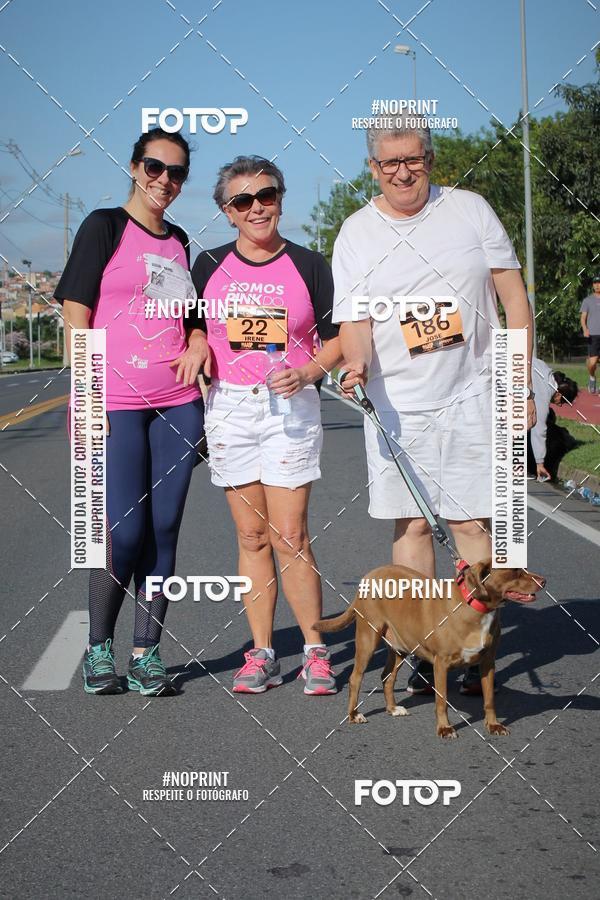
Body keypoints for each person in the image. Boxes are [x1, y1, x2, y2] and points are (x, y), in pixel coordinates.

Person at [332, 119, 536, 696]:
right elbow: (355, 322)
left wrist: (518, 385)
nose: (403, 172)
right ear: (373, 168)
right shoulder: (355, 233)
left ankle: (478, 642)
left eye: (414, 159)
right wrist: (357, 364)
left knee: (472, 520)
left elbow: (515, 303)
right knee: (414, 524)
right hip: (398, 403)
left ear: (430, 158)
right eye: (390, 163)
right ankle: (425, 644)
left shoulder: (470, 211)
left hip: (474, 390)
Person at [56, 127, 208, 696]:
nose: (164, 180)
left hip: (176, 402)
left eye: (176, 173)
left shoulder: (179, 241)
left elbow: (190, 315)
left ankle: (146, 653)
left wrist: (197, 339)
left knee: (163, 529)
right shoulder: (104, 226)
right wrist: (88, 396)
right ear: (133, 166)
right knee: (121, 532)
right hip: (114, 402)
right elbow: (77, 312)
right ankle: (98, 647)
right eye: (154, 167)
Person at [191, 155, 342, 695]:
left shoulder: (310, 265)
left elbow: (339, 339)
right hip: (231, 405)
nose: (257, 208)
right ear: (226, 212)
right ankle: (261, 654)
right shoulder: (206, 264)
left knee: (291, 534)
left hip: (290, 406)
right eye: (242, 201)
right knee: (252, 535)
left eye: (267, 196)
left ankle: (316, 651)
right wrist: (193, 344)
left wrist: (306, 372)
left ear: (280, 198)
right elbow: (191, 326)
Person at [528, 360, 578, 481]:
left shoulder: (544, 368)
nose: (559, 405)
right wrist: (539, 463)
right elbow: (538, 430)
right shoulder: (544, 392)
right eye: (562, 403)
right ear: (560, 395)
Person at [580, 275, 600, 394]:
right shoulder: (587, 300)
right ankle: (592, 378)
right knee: (592, 363)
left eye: (599, 283)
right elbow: (583, 318)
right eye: (595, 283)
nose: (597, 285)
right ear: (593, 285)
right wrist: (585, 329)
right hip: (593, 335)